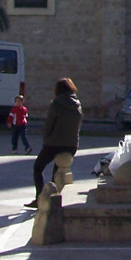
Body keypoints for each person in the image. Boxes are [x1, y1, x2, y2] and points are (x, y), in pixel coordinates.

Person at [25, 77, 83, 209]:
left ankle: (40, 198)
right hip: (71, 145)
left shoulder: (56, 104)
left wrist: (46, 141)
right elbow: (78, 126)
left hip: (54, 143)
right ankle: (54, 198)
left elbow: (48, 125)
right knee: (56, 174)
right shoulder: (78, 106)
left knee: (38, 167)